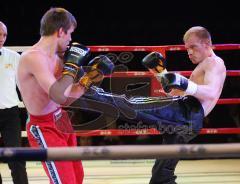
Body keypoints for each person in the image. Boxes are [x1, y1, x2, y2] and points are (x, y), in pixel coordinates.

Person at [77, 26, 226, 184]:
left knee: (130, 104)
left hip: (186, 113)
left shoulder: (214, 62)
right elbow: (177, 93)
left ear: (207, 43)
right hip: (187, 120)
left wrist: (183, 82)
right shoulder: (204, 65)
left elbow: (210, 92)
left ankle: (87, 88)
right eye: (187, 48)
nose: (189, 52)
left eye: (193, 47)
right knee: (161, 177)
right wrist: (161, 73)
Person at [17, 7, 114, 184]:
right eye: (69, 33)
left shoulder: (58, 57)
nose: (70, 39)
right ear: (60, 31)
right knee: (65, 182)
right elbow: (58, 95)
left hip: (61, 119)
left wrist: (92, 76)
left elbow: (68, 97)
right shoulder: (32, 57)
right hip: (43, 127)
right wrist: (71, 66)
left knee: (77, 178)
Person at [0, 21, 28, 184]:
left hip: (10, 114)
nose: (2, 38)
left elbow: (23, 87)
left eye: (4, 34)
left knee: (16, 156)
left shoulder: (14, 57)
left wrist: (32, 110)